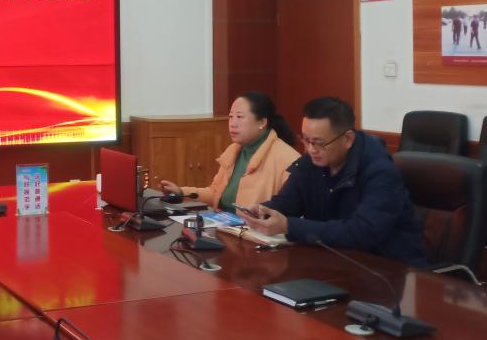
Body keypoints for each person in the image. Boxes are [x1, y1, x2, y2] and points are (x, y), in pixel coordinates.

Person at [240, 97, 427, 266]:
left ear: (347, 139)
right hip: (334, 260)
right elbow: (288, 202)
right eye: (305, 140)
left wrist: (289, 226)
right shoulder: (312, 161)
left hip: (387, 269)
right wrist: (264, 212)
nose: (310, 149)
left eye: (318, 143)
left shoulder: (380, 172)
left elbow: (363, 232)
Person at [161, 92, 299, 211]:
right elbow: (215, 194)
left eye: (239, 117)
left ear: (262, 122)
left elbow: (287, 211)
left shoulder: (288, 159)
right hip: (224, 225)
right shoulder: (234, 150)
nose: (232, 123)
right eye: (231, 116)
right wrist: (181, 192)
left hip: (254, 230)